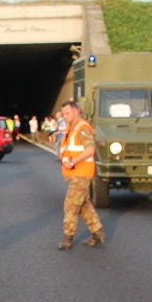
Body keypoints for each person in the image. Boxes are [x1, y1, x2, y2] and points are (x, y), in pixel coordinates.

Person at [56, 100, 104, 250]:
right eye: (63, 114)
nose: (64, 116)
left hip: (82, 172)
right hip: (76, 172)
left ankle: (67, 238)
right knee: (83, 204)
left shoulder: (82, 128)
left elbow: (90, 150)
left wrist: (73, 161)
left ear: (76, 111)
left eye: (67, 113)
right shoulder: (72, 127)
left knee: (70, 204)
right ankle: (97, 232)